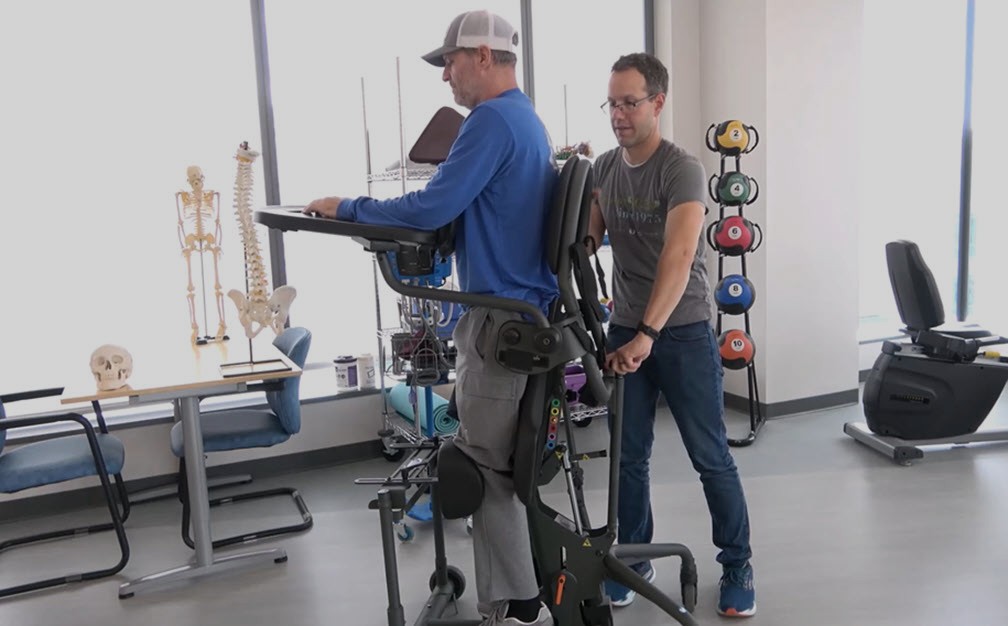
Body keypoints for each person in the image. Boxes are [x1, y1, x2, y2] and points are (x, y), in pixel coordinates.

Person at [303, 10, 556, 626]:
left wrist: (348, 208)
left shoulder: (491, 121)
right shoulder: (525, 119)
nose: (446, 76)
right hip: (518, 318)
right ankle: (511, 597)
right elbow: (477, 209)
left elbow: (431, 204)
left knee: (483, 469)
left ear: (486, 58)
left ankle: (518, 604)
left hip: (499, 325)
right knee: (495, 463)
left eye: (451, 61)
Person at [588, 52, 757, 618]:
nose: (618, 114)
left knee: (710, 456)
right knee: (628, 457)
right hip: (625, 328)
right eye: (612, 102)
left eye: (629, 102)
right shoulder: (604, 170)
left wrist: (648, 334)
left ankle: (737, 563)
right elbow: (585, 242)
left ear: (657, 102)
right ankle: (633, 560)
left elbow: (681, 255)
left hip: (680, 330)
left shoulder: (680, 169)